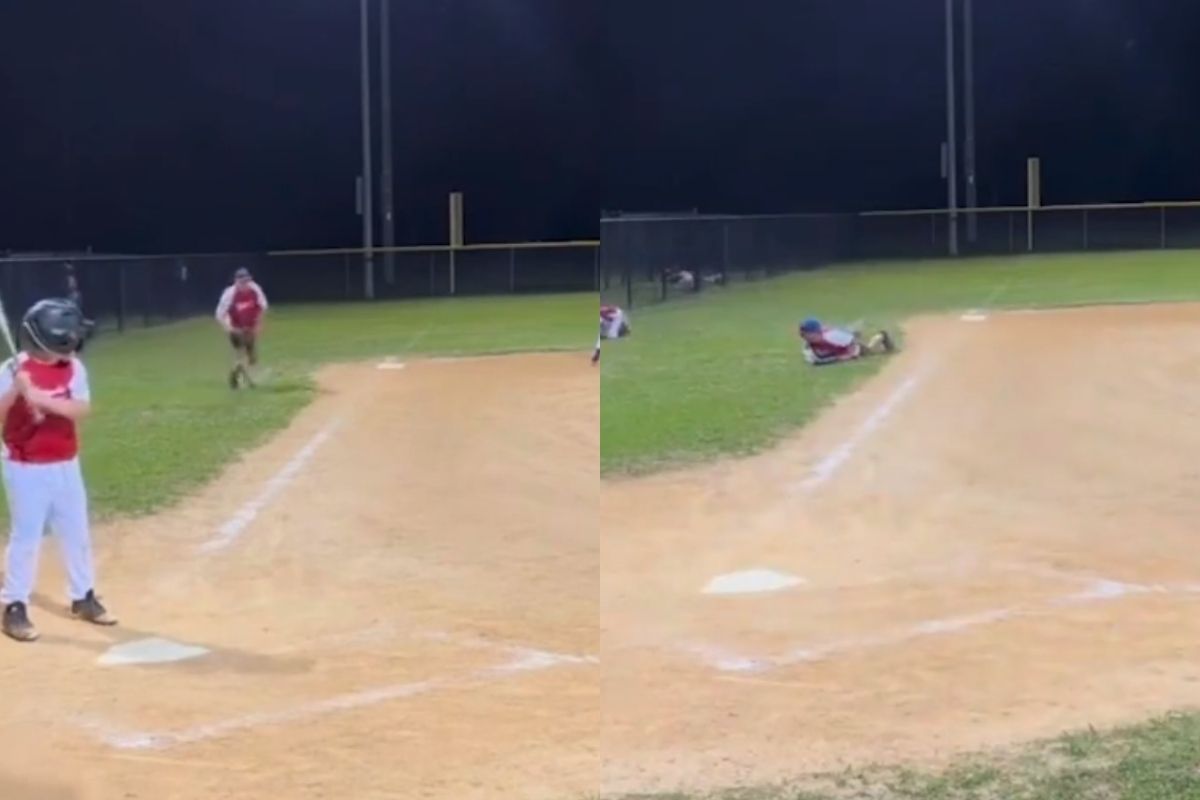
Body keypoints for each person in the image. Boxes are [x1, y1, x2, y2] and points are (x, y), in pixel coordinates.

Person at [0, 298, 116, 642]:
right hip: (26, 466)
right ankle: (13, 605)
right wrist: (16, 395)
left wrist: (43, 400)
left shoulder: (74, 369)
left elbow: (81, 408)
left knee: (76, 531)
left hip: (66, 462)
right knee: (27, 536)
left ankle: (83, 596)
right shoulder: (12, 370)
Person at [215, 268, 269, 389]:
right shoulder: (229, 294)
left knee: (251, 357)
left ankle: (237, 372)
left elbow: (263, 307)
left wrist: (259, 325)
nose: (244, 284)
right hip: (236, 327)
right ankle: (247, 380)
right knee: (241, 353)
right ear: (236, 281)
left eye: (246, 281)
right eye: (241, 281)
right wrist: (229, 328)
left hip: (250, 326)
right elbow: (219, 314)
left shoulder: (255, 289)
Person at [798, 317, 895, 366]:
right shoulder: (809, 345)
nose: (803, 335)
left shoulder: (830, 336)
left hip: (852, 347)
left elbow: (851, 341)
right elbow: (818, 359)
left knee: (870, 351)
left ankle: (881, 336)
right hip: (840, 349)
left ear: (815, 332)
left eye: (806, 333)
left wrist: (851, 354)